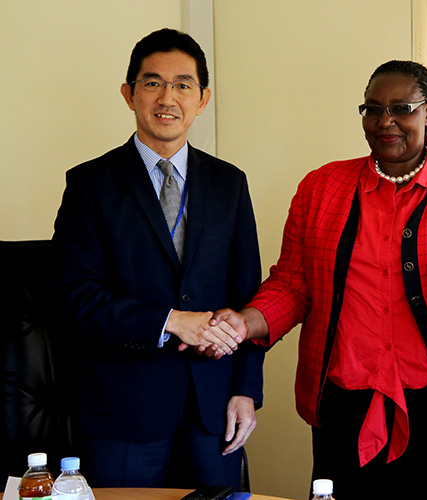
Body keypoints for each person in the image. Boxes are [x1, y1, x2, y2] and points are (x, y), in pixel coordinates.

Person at [211, 60, 427, 499]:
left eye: (401, 108)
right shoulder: (321, 187)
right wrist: (245, 322)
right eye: (373, 109)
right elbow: (292, 284)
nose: (385, 121)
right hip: (347, 403)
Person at [52, 28, 264, 490]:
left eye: (183, 85)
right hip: (123, 411)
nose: (168, 98)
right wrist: (171, 321)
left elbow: (249, 296)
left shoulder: (229, 183)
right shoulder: (90, 185)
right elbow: (75, 297)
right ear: (129, 94)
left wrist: (246, 390)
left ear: (203, 99)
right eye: (153, 83)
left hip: (214, 409)